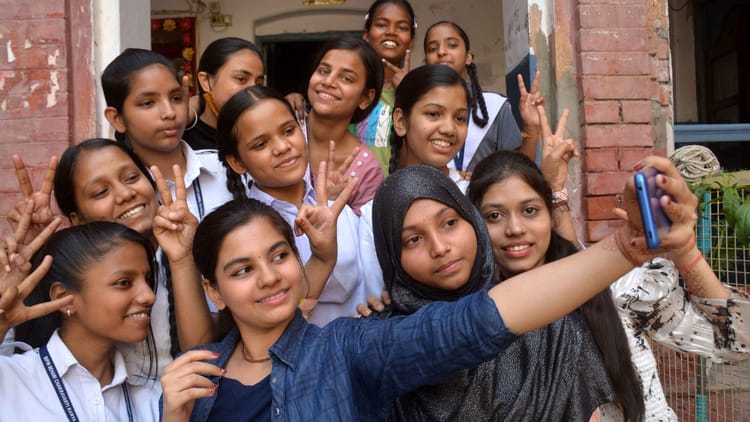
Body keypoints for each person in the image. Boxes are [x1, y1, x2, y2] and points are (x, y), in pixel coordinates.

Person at [159, 155, 697, 421]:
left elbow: (480, 320)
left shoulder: (347, 348)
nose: (269, 276)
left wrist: (623, 248)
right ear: (214, 290)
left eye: (280, 256)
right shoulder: (195, 379)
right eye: (242, 270)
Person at [364, 164, 615, 421]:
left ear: (472, 221)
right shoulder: (378, 345)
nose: (439, 248)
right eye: (413, 239)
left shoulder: (549, 325)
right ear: (391, 256)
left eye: (449, 223)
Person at [9, 139, 214, 377]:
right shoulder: (76, 280)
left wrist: (182, 260)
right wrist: (35, 257)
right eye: (100, 192)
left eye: (132, 178)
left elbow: (202, 362)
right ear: (77, 220)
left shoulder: (193, 251)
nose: (125, 194)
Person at [466, 151, 645, 420]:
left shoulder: (593, 296)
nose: (515, 228)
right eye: (494, 216)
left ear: (551, 215)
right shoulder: (467, 316)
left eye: (529, 211)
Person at [216, 85, 378, 325]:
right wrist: (321, 259)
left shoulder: (335, 206)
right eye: (261, 144)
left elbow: (369, 280)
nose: (282, 147)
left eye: (289, 130)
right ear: (237, 163)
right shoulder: (244, 232)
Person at [0, 217, 161, 420]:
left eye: (147, 279)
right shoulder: (10, 379)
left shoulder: (154, 398)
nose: (149, 296)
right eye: (124, 282)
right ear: (64, 298)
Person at [101, 48, 232, 221]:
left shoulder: (226, 167)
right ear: (117, 119)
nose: (169, 112)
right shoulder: (121, 197)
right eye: (148, 103)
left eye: (176, 98)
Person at [423, 20, 543, 167]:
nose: (441, 52)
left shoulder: (495, 107)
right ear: (426, 61)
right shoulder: (417, 107)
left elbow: (518, 169)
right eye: (432, 48)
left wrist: (531, 128)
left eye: (452, 45)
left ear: (468, 58)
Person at [304, 36, 385, 215]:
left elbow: (364, 232)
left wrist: (332, 202)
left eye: (347, 78)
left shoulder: (367, 169)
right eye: (324, 71)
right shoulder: (283, 132)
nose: (328, 81)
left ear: (366, 98)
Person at [354, 0, 417, 174]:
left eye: (402, 27)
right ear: (366, 36)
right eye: (381, 25)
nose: (391, 32)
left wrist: (408, 92)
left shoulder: (421, 91)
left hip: (398, 188)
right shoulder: (351, 89)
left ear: (411, 42)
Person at [387, 64, 471, 191]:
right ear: (401, 121)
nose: (449, 129)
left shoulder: (475, 196)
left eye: (460, 118)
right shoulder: (374, 201)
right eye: (433, 114)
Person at [184, 37, 265, 151]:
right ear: (205, 81)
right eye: (241, 79)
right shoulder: (180, 141)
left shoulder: (265, 133)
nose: (253, 91)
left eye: (259, 84)